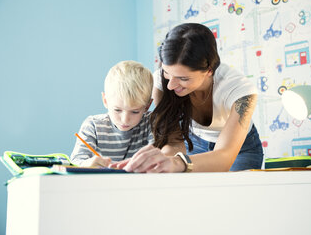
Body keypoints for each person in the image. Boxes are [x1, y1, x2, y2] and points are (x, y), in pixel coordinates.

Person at [111, 23, 263, 173]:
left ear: (209, 70)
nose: (170, 85)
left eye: (182, 78)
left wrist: (177, 162)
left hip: (239, 149)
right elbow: (175, 143)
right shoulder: (161, 82)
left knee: (230, 193)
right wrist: (157, 161)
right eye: (166, 73)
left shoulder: (241, 91)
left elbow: (223, 158)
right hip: (193, 143)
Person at [70, 60, 154, 167]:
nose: (125, 120)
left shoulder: (151, 122)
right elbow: (76, 162)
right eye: (117, 110)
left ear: (147, 105)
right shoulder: (93, 125)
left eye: (135, 111)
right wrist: (87, 163)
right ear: (105, 100)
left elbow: (157, 159)